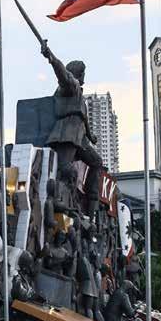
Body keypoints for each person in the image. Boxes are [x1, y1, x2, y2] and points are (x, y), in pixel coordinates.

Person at [41, 42, 102, 221]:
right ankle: (60, 202)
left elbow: (84, 119)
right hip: (66, 135)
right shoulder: (69, 86)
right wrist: (52, 59)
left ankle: (91, 205)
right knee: (66, 170)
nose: (84, 77)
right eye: (83, 73)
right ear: (78, 73)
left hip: (80, 138)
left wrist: (91, 136)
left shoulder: (79, 96)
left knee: (97, 162)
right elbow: (63, 75)